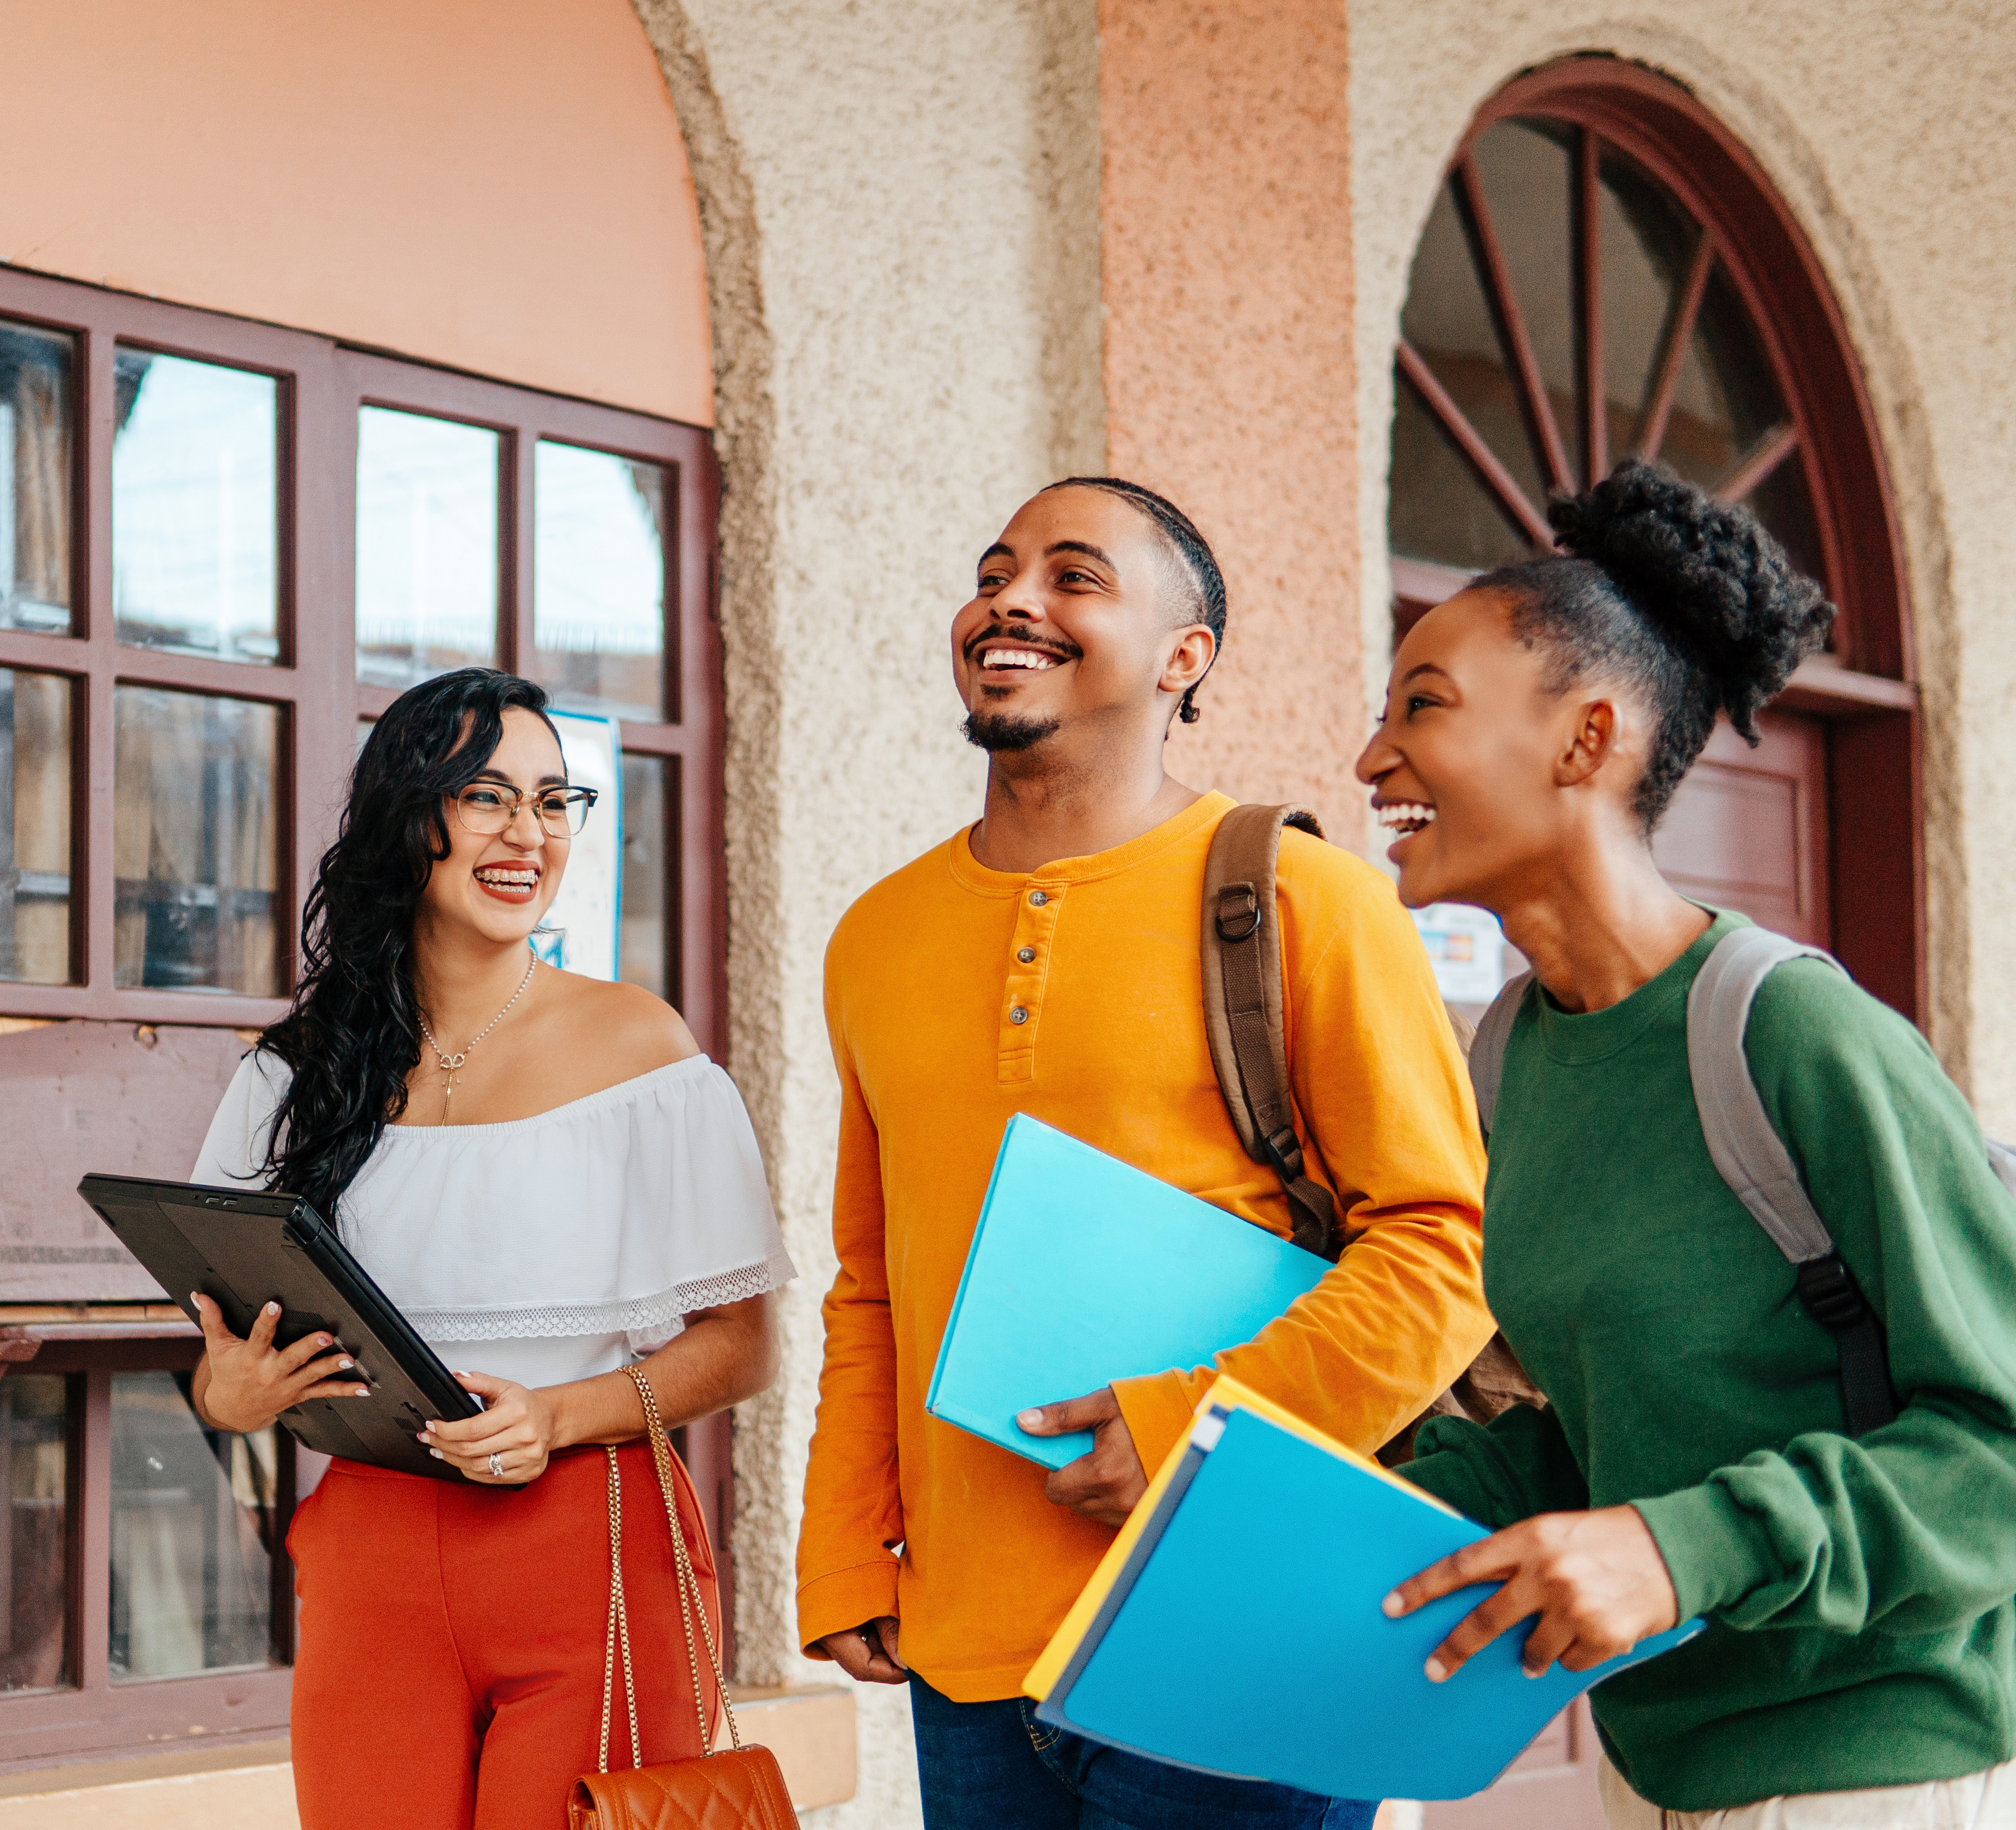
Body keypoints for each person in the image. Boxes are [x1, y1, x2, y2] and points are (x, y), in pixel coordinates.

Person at [796, 476, 1496, 1828]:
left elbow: (1443, 1252)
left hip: (1239, 1624)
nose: (1012, 598)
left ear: (1187, 659)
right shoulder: (875, 937)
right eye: (996, 569)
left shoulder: (1313, 902)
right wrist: (846, 1549)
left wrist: (1187, 1430)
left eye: (1074, 576)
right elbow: (873, 1280)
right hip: (973, 1656)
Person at [1360, 460, 2016, 1829]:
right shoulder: (1519, 1056)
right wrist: (1321, 1487)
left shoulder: (1796, 1035)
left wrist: (1685, 1546)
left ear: (1586, 740)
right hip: (1656, 1767)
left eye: (1422, 707)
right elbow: (1603, 1435)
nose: (1373, 760)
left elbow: (1995, 1447)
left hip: (1878, 1769)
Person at [186, 667, 794, 1830]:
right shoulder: (294, 1073)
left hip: (594, 1537)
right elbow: (226, 1356)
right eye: (487, 795)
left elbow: (743, 1345)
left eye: (556, 801)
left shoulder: (639, 1047)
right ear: (407, 817)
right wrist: (238, 1392)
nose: (529, 832)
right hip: (371, 1545)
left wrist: (557, 1414)